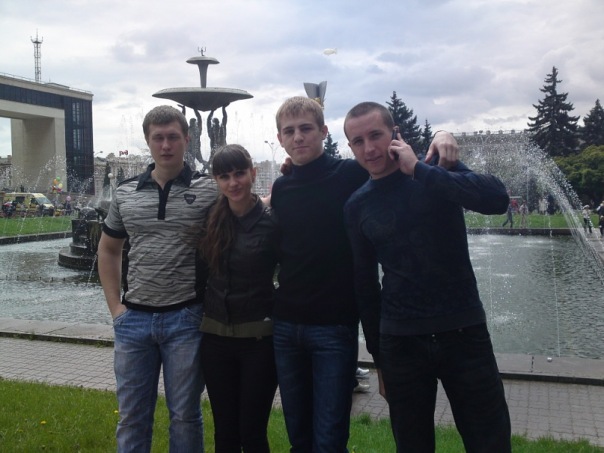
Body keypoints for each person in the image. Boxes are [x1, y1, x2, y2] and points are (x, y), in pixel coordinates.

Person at [270, 96, 458, 452]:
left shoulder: (351, 174)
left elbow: (398, 160)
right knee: (298, 437)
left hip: (334, 327)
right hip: (285, 326)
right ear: (280, 139)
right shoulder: (282, 186)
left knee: (330, 437)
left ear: (324, 131)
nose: (298, 137)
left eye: (306, 128)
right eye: (289, 131)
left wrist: (442, 134)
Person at [343, 101, 511, 452]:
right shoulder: (357, 205)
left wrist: (420, 169)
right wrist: (380, 361)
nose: (369, 148)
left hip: (463, 331)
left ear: (395, 134)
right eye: (358, 141)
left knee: (490, 442)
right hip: (401, 342)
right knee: (412, 444)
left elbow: (497, 199)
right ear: (351, 147)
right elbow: (365, 287)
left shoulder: (432, 171)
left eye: (375, 135)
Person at [97, 105, 216, 453]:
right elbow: (108, 250)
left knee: (185, 415)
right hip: (134, 321)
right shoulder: (125, 192)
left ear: (187, 139)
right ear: (148, 141)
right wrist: (116, 309)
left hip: (187, 319)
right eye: (158, 138)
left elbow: (244, 207)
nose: (166, 145)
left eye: (173, 137)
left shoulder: (209, 189)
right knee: (132, 417)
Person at [198, 144, 280, 452]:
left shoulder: (272, 222)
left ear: (253, 173)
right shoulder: (211, 220)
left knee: (253, 432)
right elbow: (200, 274)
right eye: (224, 176)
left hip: (259, 343)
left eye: (239, 174)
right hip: (215, 341)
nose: (233, 183)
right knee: (225, 433)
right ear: (216, 181)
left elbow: (292, 273)